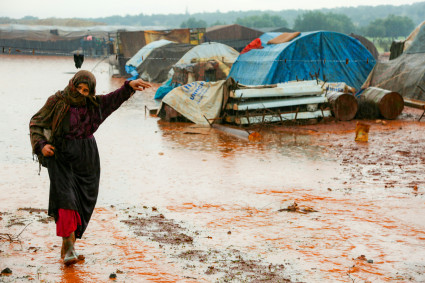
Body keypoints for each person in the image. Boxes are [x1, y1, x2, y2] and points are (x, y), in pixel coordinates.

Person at [29, 70, 151, 266]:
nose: (81, 93)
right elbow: (36, 122)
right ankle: (69, 248)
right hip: (61, 157)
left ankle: (68, 247)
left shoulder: (93, 105)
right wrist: (42, 145)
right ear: (72, 85)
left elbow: (112, 100)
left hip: (87, 159)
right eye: (79, 88)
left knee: (82, 203)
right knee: (66, 201)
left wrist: (128, 87)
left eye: (86, 90)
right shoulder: (57, 101)